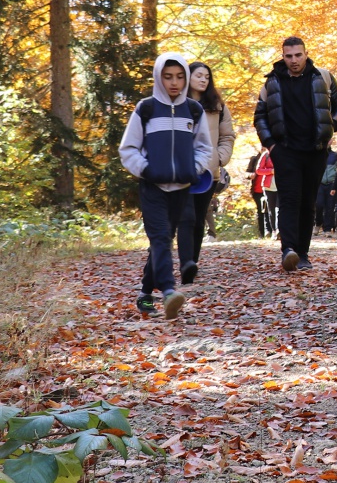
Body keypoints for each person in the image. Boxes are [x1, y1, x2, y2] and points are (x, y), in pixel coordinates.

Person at [118, 52, 212, 321]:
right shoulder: (146, 109)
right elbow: (128, 149)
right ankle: (170, 292)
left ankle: (146, 292)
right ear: (159, 77)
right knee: (159, 239)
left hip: (181, 188)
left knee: (162, 241)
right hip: (153, 188)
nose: (174, 82)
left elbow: (204, 147)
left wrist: (193, 169)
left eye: (180, 77)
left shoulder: (193, 110)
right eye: (168, 77)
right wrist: (147, 170)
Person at [253, 36, 337, 271]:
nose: (294, 60)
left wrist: (331, 126)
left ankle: (302, 254)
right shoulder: (272, 82)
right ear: (282, 56)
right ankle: (288, 250)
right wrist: (271, 145)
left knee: (308, 202)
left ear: (305, 54)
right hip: (285, 150)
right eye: (288, 56)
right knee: (289, 200)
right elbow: (260, 116)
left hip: (315, 150)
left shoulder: (322, 77)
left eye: (298, 55)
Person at [177, 61, 234, 284]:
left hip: (208, 173)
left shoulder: (217, 105)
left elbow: (227, 135)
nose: (203, 80)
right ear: (188, 77)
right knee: (186, 217)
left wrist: (219, 158)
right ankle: (185, 264)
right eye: (199, 75)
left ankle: (192, 263)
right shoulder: (177, 103)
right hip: (181, 170)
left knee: (199, 219)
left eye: (207, 77)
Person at [248, 149, 276, 237]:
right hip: (258, 189)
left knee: (274, 209)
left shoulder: (279, 154)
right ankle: (263, 233)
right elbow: (250, 171)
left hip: (274, 187)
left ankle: (272, 230)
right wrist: (250, 175)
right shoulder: (255, 158)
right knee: (262, 211)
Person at [317, 156, 337, 234]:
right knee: (319, 204)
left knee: (330, 206)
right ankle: (318, 223)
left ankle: (327, 228)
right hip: (320, 183)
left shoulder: (335, 156)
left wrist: (335, 183)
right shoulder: (317, 154)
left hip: (331, 183)